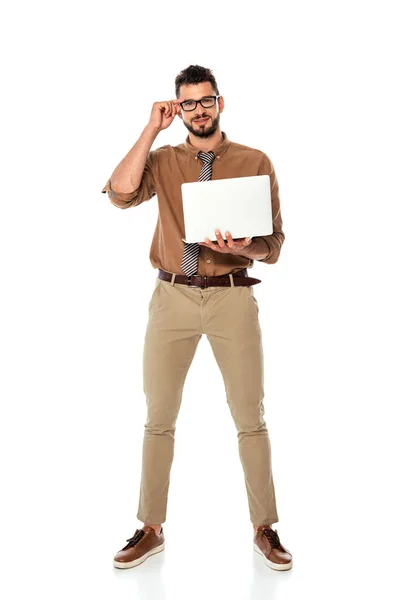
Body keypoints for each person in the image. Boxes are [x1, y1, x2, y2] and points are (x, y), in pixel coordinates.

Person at [101, 65, 292, 571]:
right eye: (189, 104)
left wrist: (243, 246)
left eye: (206, 101)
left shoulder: (255, 161)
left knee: (250, 417)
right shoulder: (162, 160)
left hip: (232, 296)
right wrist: (149, 129)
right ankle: (150, 528)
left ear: (220, 103)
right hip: (172, 299)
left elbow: (273, 246)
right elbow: (120, 193)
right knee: (158, 418)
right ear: (177, 108)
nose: (199, 110)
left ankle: (264, 528)